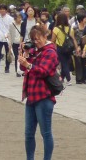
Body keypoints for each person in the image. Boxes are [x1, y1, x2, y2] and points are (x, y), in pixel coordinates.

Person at [19, 24, 59, 160]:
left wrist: (28, 64)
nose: (36, 42)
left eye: (38, 39)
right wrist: (25, 55)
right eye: (33, 40)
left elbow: (43, 71)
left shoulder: (50, 52)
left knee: (46, 133)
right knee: (28, 133)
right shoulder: (36, 50)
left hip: (44, 96)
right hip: (31, 96)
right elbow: (24, 68)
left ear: (45, 36)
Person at [50, 12, 73, 84]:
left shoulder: (56, 29)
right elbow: (73, 38)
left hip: (60, 48)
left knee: (64, 63)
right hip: (69, 48)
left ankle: (68, 79)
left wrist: (52, 48)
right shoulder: (70, 28)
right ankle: (62, 77)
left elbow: (53, 40)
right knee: (66, 62)